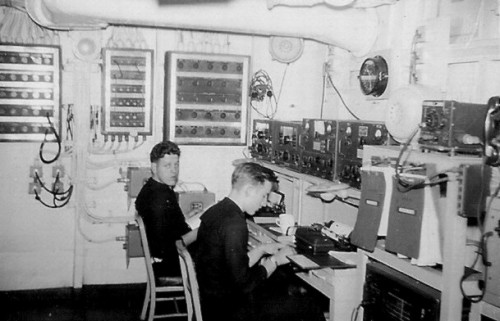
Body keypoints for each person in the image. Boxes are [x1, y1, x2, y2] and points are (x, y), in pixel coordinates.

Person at [194, 162, 325, 321]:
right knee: (309, 305)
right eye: (264, 196)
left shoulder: (218, 210)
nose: (264, 203)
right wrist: (274, 261)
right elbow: (244, 284)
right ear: (249, 190)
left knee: (278, 288)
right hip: (230, 310)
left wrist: (262, 249)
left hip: (213, 302)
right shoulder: (235, 223)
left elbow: (232, 265)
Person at [135, 141, 198, 279]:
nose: (173, 171)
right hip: (174, 262)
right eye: (167, 166)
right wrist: (203, 229)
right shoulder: (160, 198)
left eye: (176, 165)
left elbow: (170, 225)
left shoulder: (153, 189)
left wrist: (188, 217)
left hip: (170, 256)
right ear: (154, 167)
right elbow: (175, 244)